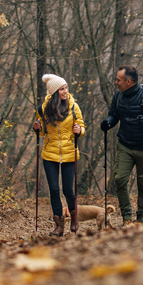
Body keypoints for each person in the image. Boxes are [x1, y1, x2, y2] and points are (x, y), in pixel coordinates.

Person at [100, 66, 143, 225]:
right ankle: (127, 218)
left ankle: (140, 219)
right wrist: (108, 123)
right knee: (119, 179)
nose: (115, 82)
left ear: (128, 81)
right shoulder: (118, 95)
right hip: (125, 145)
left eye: (118, 80)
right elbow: (114, 115)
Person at [34, 73, 85, 236]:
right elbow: (41, 132)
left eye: (65, 88)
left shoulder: (73, 107)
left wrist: (79, 131)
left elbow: (81, 127)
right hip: (49, 154)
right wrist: (36, 129)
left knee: (68, 191)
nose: (65, 91)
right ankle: (59, 226)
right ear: (54, 92)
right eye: (61, 89)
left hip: (70, 152)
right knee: (54, 189)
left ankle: (74, 216)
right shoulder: (43, 109)